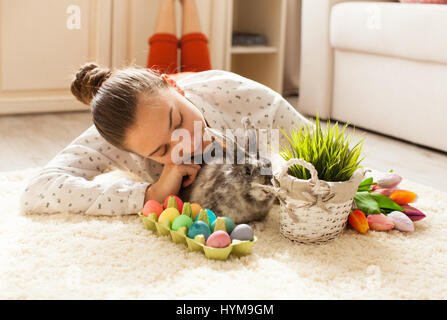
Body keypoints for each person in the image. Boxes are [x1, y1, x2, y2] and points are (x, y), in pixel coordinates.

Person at [19, 0, 311, 216]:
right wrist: (150, 193)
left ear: (173, 88)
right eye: (161, 150)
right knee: (167, 83)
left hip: (195, 85)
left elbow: (312, 141)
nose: (189, 140)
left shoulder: (237, 94)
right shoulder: (119, 136)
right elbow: (37, 190)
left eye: (179, 122)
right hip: (162, 98)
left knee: (194, 53)